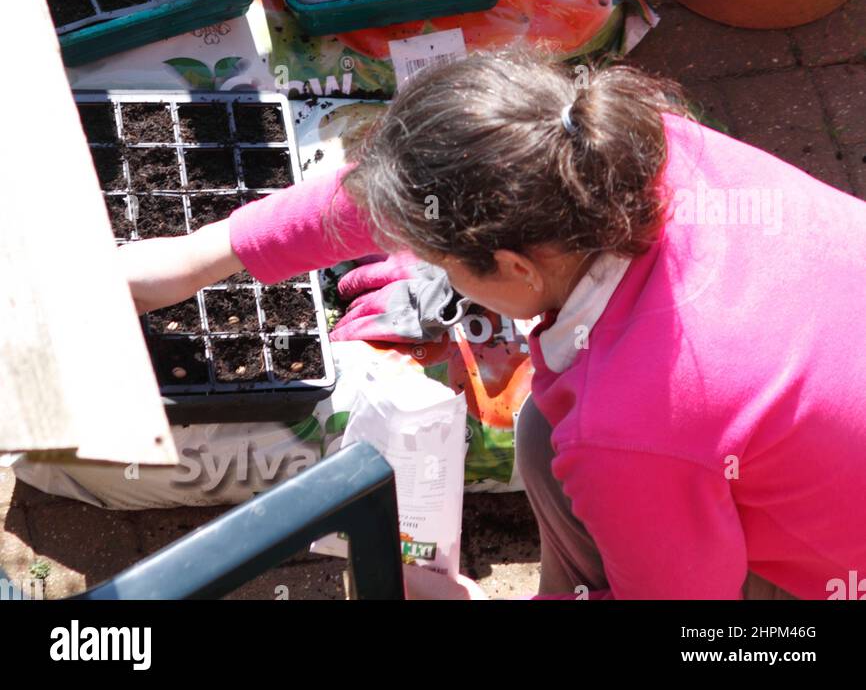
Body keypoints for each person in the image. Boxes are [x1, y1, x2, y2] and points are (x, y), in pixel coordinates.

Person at [123, 50, 866, 600]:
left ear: (514, 267)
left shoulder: (633, 427)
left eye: (445, 263)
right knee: (546, 431)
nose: (436, 273)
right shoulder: (630, 149)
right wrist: (200, 257)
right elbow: (426, 186)